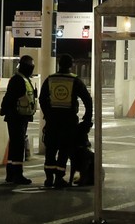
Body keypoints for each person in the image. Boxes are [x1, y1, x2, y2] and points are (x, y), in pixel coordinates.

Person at [39, 53, 93, 188]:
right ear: (71, 65)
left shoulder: (50, 79)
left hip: (52, 121)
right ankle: (59, 179)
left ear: (59, 64)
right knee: (64, 150)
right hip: (68, 122)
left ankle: (48, 179)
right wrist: (87, 118)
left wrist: (48, 114)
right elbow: (88, 100)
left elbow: (42, 98)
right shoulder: (75, 81)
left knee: (50, 150)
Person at [0, 54, 37, 185]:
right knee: (18, 145)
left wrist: (3, 110)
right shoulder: (19, 80)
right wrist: (4, 109)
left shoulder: (22, 79)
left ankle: (11, 174)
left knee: (15, 145)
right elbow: (10, 97)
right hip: (17, 117)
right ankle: (17, 175)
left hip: (18, 116)